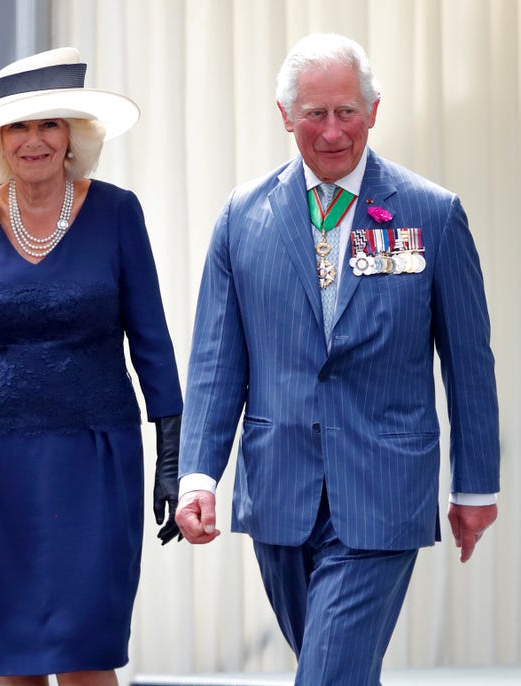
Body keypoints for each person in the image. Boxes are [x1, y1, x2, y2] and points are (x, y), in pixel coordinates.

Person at [175, 32, 499, 686]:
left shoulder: (432, 217)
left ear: (374, 111)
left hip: (384, 493)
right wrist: (198, 477)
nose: (331, 132)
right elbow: (215, 361)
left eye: (347, 112)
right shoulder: (241, 219)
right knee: (339, 673)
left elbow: (469, 362)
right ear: (285, 115)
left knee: (325, 678)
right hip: (279, 495)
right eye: (315, 114)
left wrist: (475, 485)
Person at [0, 47, 183, 686]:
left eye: (49, 124)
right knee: (13, 663)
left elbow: (153, 346)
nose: (34, 140)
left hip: (94, 462)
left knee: (86, 659)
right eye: (19, 127)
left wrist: (171, 462)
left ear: (72, 136)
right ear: (0, 140)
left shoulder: (117, 213)